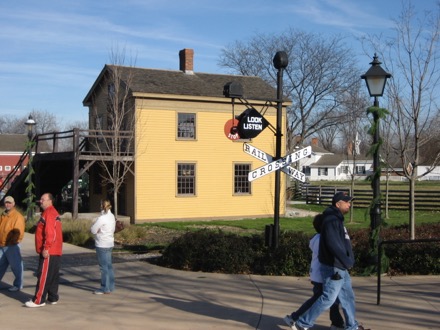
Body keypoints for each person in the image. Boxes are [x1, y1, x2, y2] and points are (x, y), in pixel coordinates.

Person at [287, 192, 364, 330]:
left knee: (347, 297)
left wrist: (347, 261)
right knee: (328, 298)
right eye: (346, 202)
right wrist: (346, 261)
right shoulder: (331, 220)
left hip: (341, 266)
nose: (349, 204)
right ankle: (302, 323)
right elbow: (334, 244)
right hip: (334, 266)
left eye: (350, 201)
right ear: (337, 204)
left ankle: (352, 326)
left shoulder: (336, 219)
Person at [284, 214, 344, 330]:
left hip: (319, 275)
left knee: (331, 299)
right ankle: (295, 318)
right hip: (322, 275)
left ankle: (337, 323)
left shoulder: (317, 238)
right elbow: (327, 257)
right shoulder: (322, 240)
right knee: (320, 300)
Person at [25, 193, 63, 308]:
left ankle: (38, 300)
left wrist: (46, 248)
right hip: (55, 250)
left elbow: (50, 233)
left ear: (50, 201)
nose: (40, 201)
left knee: (44, 274)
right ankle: (52, 297)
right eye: (40, 199)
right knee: (52, 274)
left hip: (49, 250)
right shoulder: (50, 212)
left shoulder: (49, 213)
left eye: (43, 199)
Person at [0, 196, 25, 292]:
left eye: (9, 203)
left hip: (11, 246)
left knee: (16, 266)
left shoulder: (18, 216)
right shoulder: (3, 215)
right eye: (6, 202)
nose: (7, 204)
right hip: (2, 245)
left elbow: (18, 232)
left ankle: (18, 285)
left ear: (13, 204)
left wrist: (11, 243)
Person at [90, 199, 116, 294]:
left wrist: (95, 227)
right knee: (109, 266)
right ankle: (111, 286)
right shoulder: (112, 216)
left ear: (102, 206)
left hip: (101, 244)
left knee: (103, 267)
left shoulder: (102, 218)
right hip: (109, 243)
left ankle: (105, 287)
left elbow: (93, 230)